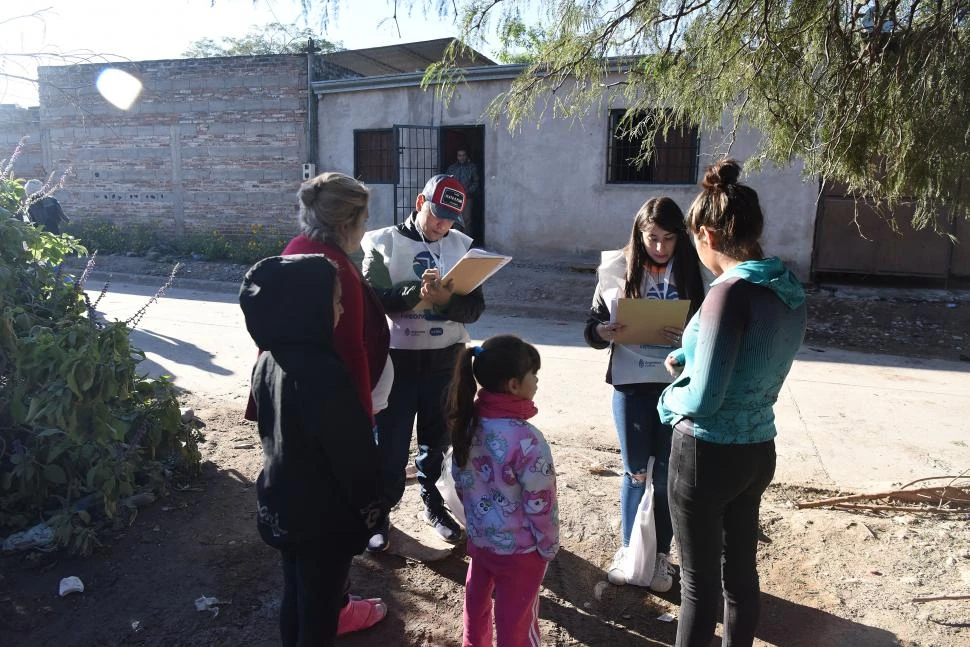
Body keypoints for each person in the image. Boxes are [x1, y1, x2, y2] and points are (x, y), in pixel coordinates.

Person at [657, 159, 807, 647]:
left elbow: (702, 398)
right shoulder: (783, 286)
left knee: (699, 587)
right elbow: (754, 355)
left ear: (705, 234)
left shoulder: (728, 292)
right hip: (758, 448)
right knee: (741, 577)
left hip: (706, 452)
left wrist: (668, 396)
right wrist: (690, 353)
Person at [242, 171, 390, 636]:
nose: (367, 228)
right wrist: (371, 501)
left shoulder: (295, 255)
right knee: (320, 604)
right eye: (364, 218)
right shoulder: (331, 274)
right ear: (349, 220)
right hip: (326, 483)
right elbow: (349, 372)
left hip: (290, 481)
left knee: (299, 591)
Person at [584, 197, 706, 593]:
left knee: (669, 473)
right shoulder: (615, 268)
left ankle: (660, 557)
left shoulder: (689, 269)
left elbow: (705, 324)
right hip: (631, 384)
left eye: (669, 239)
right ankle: (628, 549)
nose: (660, 247)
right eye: (652, 238)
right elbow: (591, 328)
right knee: (636, 471)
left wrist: (687, 335)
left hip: (675, 386)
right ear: (639, 233)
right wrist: (603, 333)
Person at [361, 174, 484, 552]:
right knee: (391, 445)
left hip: (446, 361)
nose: (441, 225)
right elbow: (375, 298)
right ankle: (378, 513)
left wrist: (446, 301)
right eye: (436, 214)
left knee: (437, 440)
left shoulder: (461, 246)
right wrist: (416, 293)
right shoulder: (382, 241)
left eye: (449, 219)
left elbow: (474, 309)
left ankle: (434, 504)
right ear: (420, 203)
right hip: (396, 360)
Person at [445, 334, 559, 647]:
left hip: (481, 543)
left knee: (476, 605)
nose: (536, 381)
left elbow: (459, 482)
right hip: (522, 553)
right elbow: (542, 503)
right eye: (533, 375)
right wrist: (547, 546)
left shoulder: (468, 424)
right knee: (517, 621)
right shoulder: (528, 440)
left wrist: (478, 524)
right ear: (513, 385)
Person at [446, 149, 480, 237]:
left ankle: (466, 243)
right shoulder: (452, 168)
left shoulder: (472, 167)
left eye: (463, 155)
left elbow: (476, 182)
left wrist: (467, 192)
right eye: (459, 155)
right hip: (455, 197)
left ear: (466, 156)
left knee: (467, 220)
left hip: (467, 197)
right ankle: (457, 242)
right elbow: (447, 181)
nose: (461, 157)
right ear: (457, 157)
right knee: (456, 220)